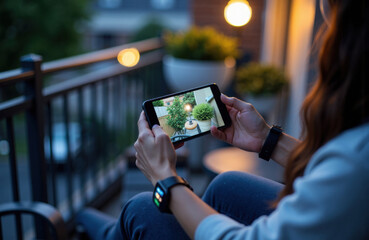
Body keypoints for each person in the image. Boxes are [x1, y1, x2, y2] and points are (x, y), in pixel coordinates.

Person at [76, 0, 369, 239]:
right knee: (226, 186)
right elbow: (333, 171)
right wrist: (267, 140)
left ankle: (115, 231)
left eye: (330, 24)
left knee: (142, 209)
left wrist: (165, 180)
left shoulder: (358, 158)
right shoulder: (356, 152)